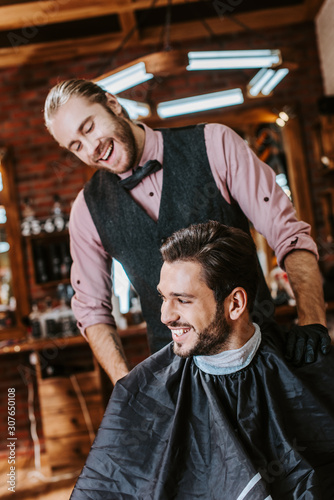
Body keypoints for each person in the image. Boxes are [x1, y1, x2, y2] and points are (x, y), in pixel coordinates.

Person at [44, 79, 330, 384]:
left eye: (88, 128)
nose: (91, 148)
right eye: (75, 146)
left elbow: (289, 235)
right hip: (179, 385)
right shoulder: (87, 210)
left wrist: (312, 321)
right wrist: (125, 384)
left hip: (262, 360)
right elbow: (91, 310)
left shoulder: (214, 144)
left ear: (112, 104)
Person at [70, 222, 334, 500]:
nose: (165, 316)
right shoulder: (142, 391)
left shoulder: (302, 363)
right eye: (163, 297)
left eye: (182, 300)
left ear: (235, 304)